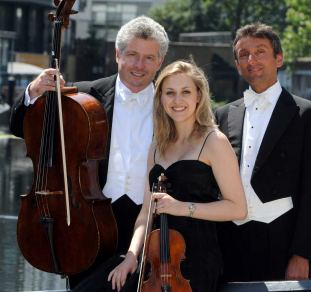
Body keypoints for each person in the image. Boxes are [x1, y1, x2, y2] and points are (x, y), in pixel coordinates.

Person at [9, 16, 169, 288]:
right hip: (88, 222)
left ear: (160, 62)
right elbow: (21, 128)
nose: (139, 65)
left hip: (152, 224)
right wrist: (33, 93)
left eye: (149, 58)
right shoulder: (82, 96)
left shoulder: (174, 102)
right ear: (118, 54)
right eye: (132, 55)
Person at [72, 60, 247, 292]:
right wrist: (132, 256)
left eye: (185, 92)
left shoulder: (214, 141)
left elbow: (237, 209)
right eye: (170, 93)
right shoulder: (157, 145)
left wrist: (182, 207)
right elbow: (146, 213)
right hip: (153, 256)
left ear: (199, 96)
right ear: (161, 98)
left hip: (193, 261)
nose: (177, 100)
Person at [215, 22, 311, 282]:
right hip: (228, 241)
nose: (251, 59)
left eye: (260, 51)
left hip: (281, 241)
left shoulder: (309, 115)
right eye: (243, 54)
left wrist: (302, 254)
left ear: (279, 58)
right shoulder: (222, 115)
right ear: (237, 64)